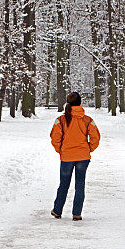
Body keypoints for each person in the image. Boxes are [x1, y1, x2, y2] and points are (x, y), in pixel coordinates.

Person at [50, 92, 100, 221]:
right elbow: (95, 137)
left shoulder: (60, 120)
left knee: (64, 184)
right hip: (83, 156)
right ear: (80, 103)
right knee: (80, 185)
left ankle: (57, 211)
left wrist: (60, 150)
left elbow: (55, 137)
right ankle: (76, 213)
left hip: (67, 156)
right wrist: (89, 148)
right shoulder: (87, 119)